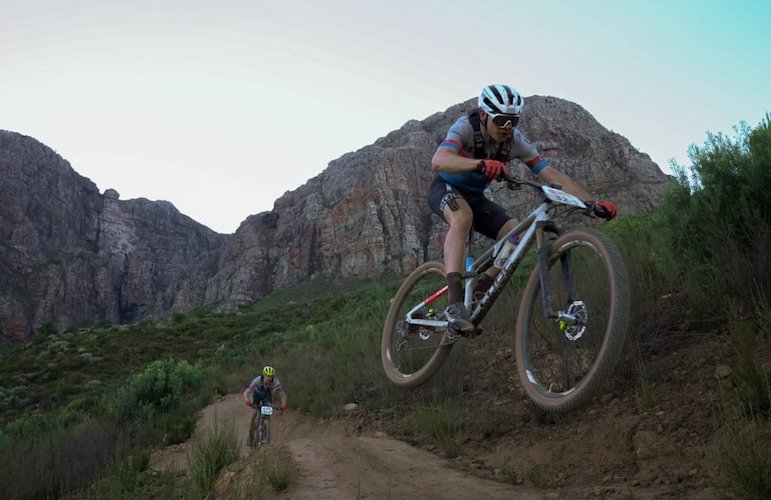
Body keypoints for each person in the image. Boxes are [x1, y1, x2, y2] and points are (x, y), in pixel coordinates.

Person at [428, 84, 617, 339]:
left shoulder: (515, 142)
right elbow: (439, 161)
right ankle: (454, 302)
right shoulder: (465, 127)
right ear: (484, 115)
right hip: (445, 187)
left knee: (515, 233)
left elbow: (551, 174)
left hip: (475, 197)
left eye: (513, 120)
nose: (507, 126)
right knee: (462, 217)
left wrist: (591, 203)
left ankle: (479, 290)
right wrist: (480, 164)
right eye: (502, 119)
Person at [243, 365, 288, 445]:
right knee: (253, 414)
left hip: (267, 396)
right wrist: (247, 400)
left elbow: (282, 394)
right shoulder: (257, 380)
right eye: (268, 376)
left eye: (271, 376)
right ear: (264, 375)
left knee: (267, 411)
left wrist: (284, 404)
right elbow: (247, 391)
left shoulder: (275, 382)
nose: (269, 378)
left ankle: (265, 426)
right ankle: (250, 437)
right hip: (257, 395)